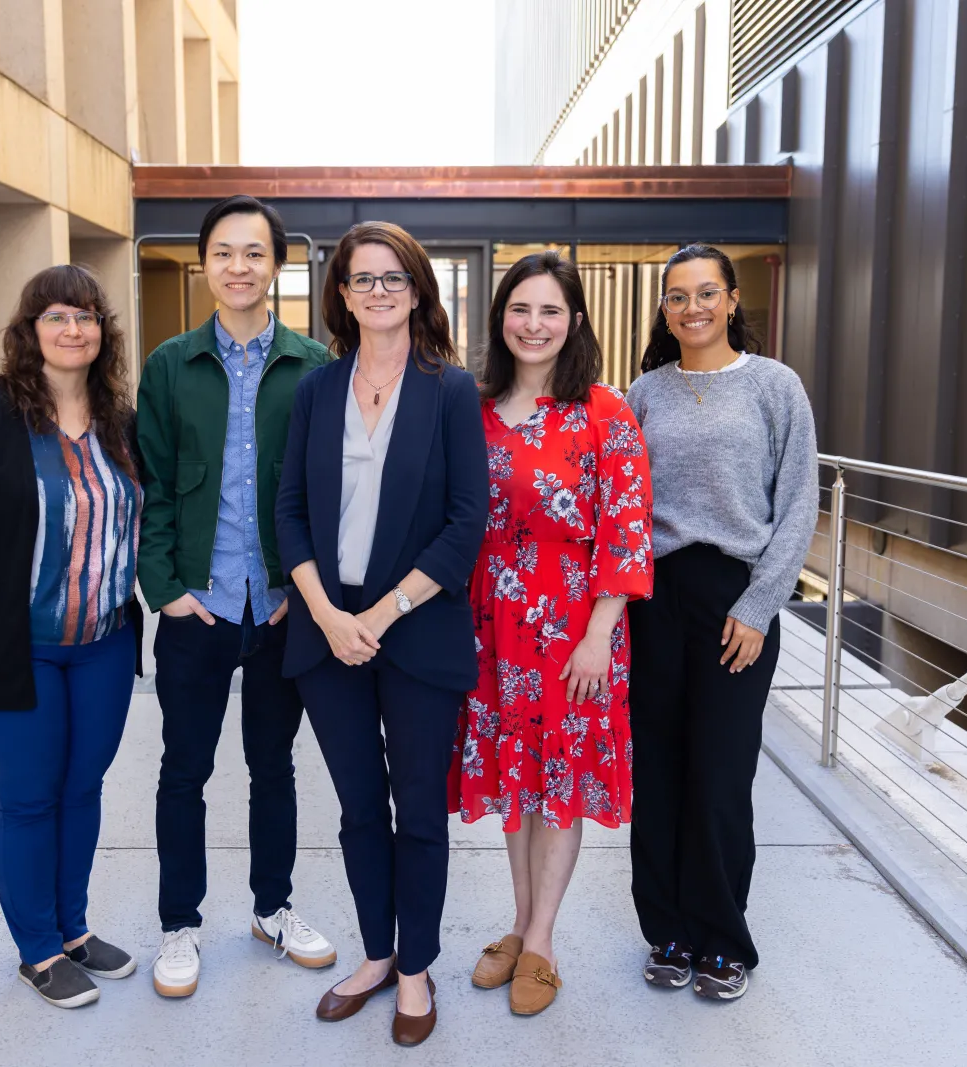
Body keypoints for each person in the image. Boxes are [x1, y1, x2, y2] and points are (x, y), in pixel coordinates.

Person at [276, 221, 489, 1047]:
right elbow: (288, 511)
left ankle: (415, 968)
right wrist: (329, 615)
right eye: (361, 278)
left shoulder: (449, 390)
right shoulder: (317, 391)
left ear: (417, 289)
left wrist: (381, 613)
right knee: (360, 807)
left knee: (418, 813)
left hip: (417, 628)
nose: (377, 290)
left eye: (392, 277)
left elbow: (465, 523)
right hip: (329, 634)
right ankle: (374, 953)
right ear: (341, 293)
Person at [0, 264, 144, 1009]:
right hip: (13, 647)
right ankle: (38, 949)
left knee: (82, 789)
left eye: (85, 316)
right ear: (30, 330)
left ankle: (75, 929)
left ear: (102, 330)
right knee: (27, 800)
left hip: (104, 643)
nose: (73, 329)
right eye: (56, 316)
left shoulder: (119, 419)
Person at [135, 195, 334, 998]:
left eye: (254, 253)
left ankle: (272, 907)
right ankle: (179, 923)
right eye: (224, 252)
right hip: (199, 604)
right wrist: (167, 591)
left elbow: (325, 492)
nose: (239, 266)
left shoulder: (314, 365)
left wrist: (303, 588)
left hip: (281, 605)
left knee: (273, 767)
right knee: (184, 770)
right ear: (205, 264)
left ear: (276, 264)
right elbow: (148, 485)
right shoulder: (169, 364)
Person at [448, 251, 651, 1015]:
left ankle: (541, 941)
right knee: (516, 781)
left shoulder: (605, 411)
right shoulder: (473, 406)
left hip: (573, 630)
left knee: (557, 780)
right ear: (501, 318)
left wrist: (600, 632)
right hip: (492, 629)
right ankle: (521, 920)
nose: (535, 325)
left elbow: (626, 532)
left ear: (574, 322)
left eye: (551, 311)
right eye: (521, 309)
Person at [624, 243, 818, 1002]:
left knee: (721, 771)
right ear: (665, 309)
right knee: (661, 770)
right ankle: (667, 930)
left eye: (707, 293)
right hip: (654, 597)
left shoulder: (775, 386)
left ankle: (723, 937)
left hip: (737, 596)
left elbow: (799, 498)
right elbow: (624, 504)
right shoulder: (644, 392)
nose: (692, 307)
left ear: (733, 300)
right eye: (677, 296)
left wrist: (760, 603)